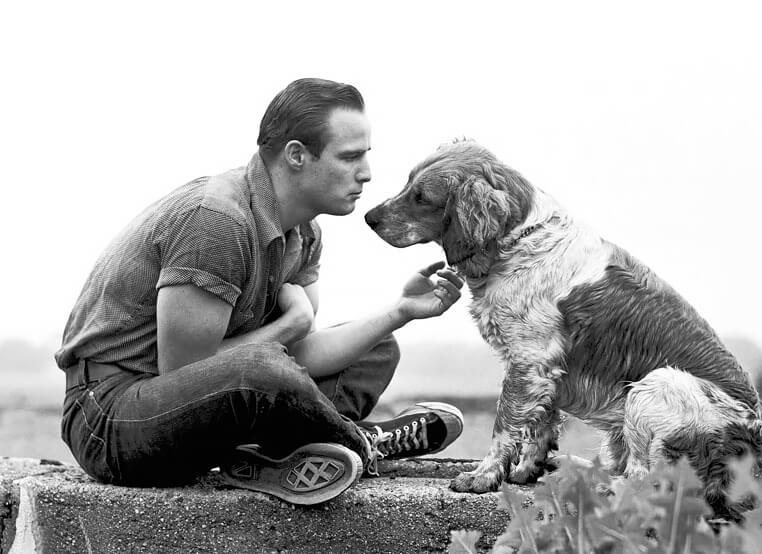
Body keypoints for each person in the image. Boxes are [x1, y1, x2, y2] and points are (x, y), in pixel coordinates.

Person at [55, 78, 465, 505]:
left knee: (375, 348)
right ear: (296, 156)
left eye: (365, 155)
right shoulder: (217, 221)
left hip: (210, 403)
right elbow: (185, 372)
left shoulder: (304, 233)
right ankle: (365, 443)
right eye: (349, 157)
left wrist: (400, 310)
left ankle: (270, 458)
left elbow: (297, 358)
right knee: (261, 366)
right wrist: (292, 324)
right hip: (111, 416)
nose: (366, 172)